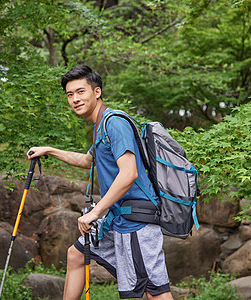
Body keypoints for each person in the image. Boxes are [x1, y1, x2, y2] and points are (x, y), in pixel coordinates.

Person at [27, 65, 173, 300]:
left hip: (137, 221)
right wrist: (50, 150)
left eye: (80, 92)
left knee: (154, 291)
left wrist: (95, 212)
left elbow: (129, 174)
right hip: (119, 219)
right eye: (69, 94)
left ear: (96, 92)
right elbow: (87, 160)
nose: (75, 99)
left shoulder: (114, 123)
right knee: (76, 254)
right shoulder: (100, 126)